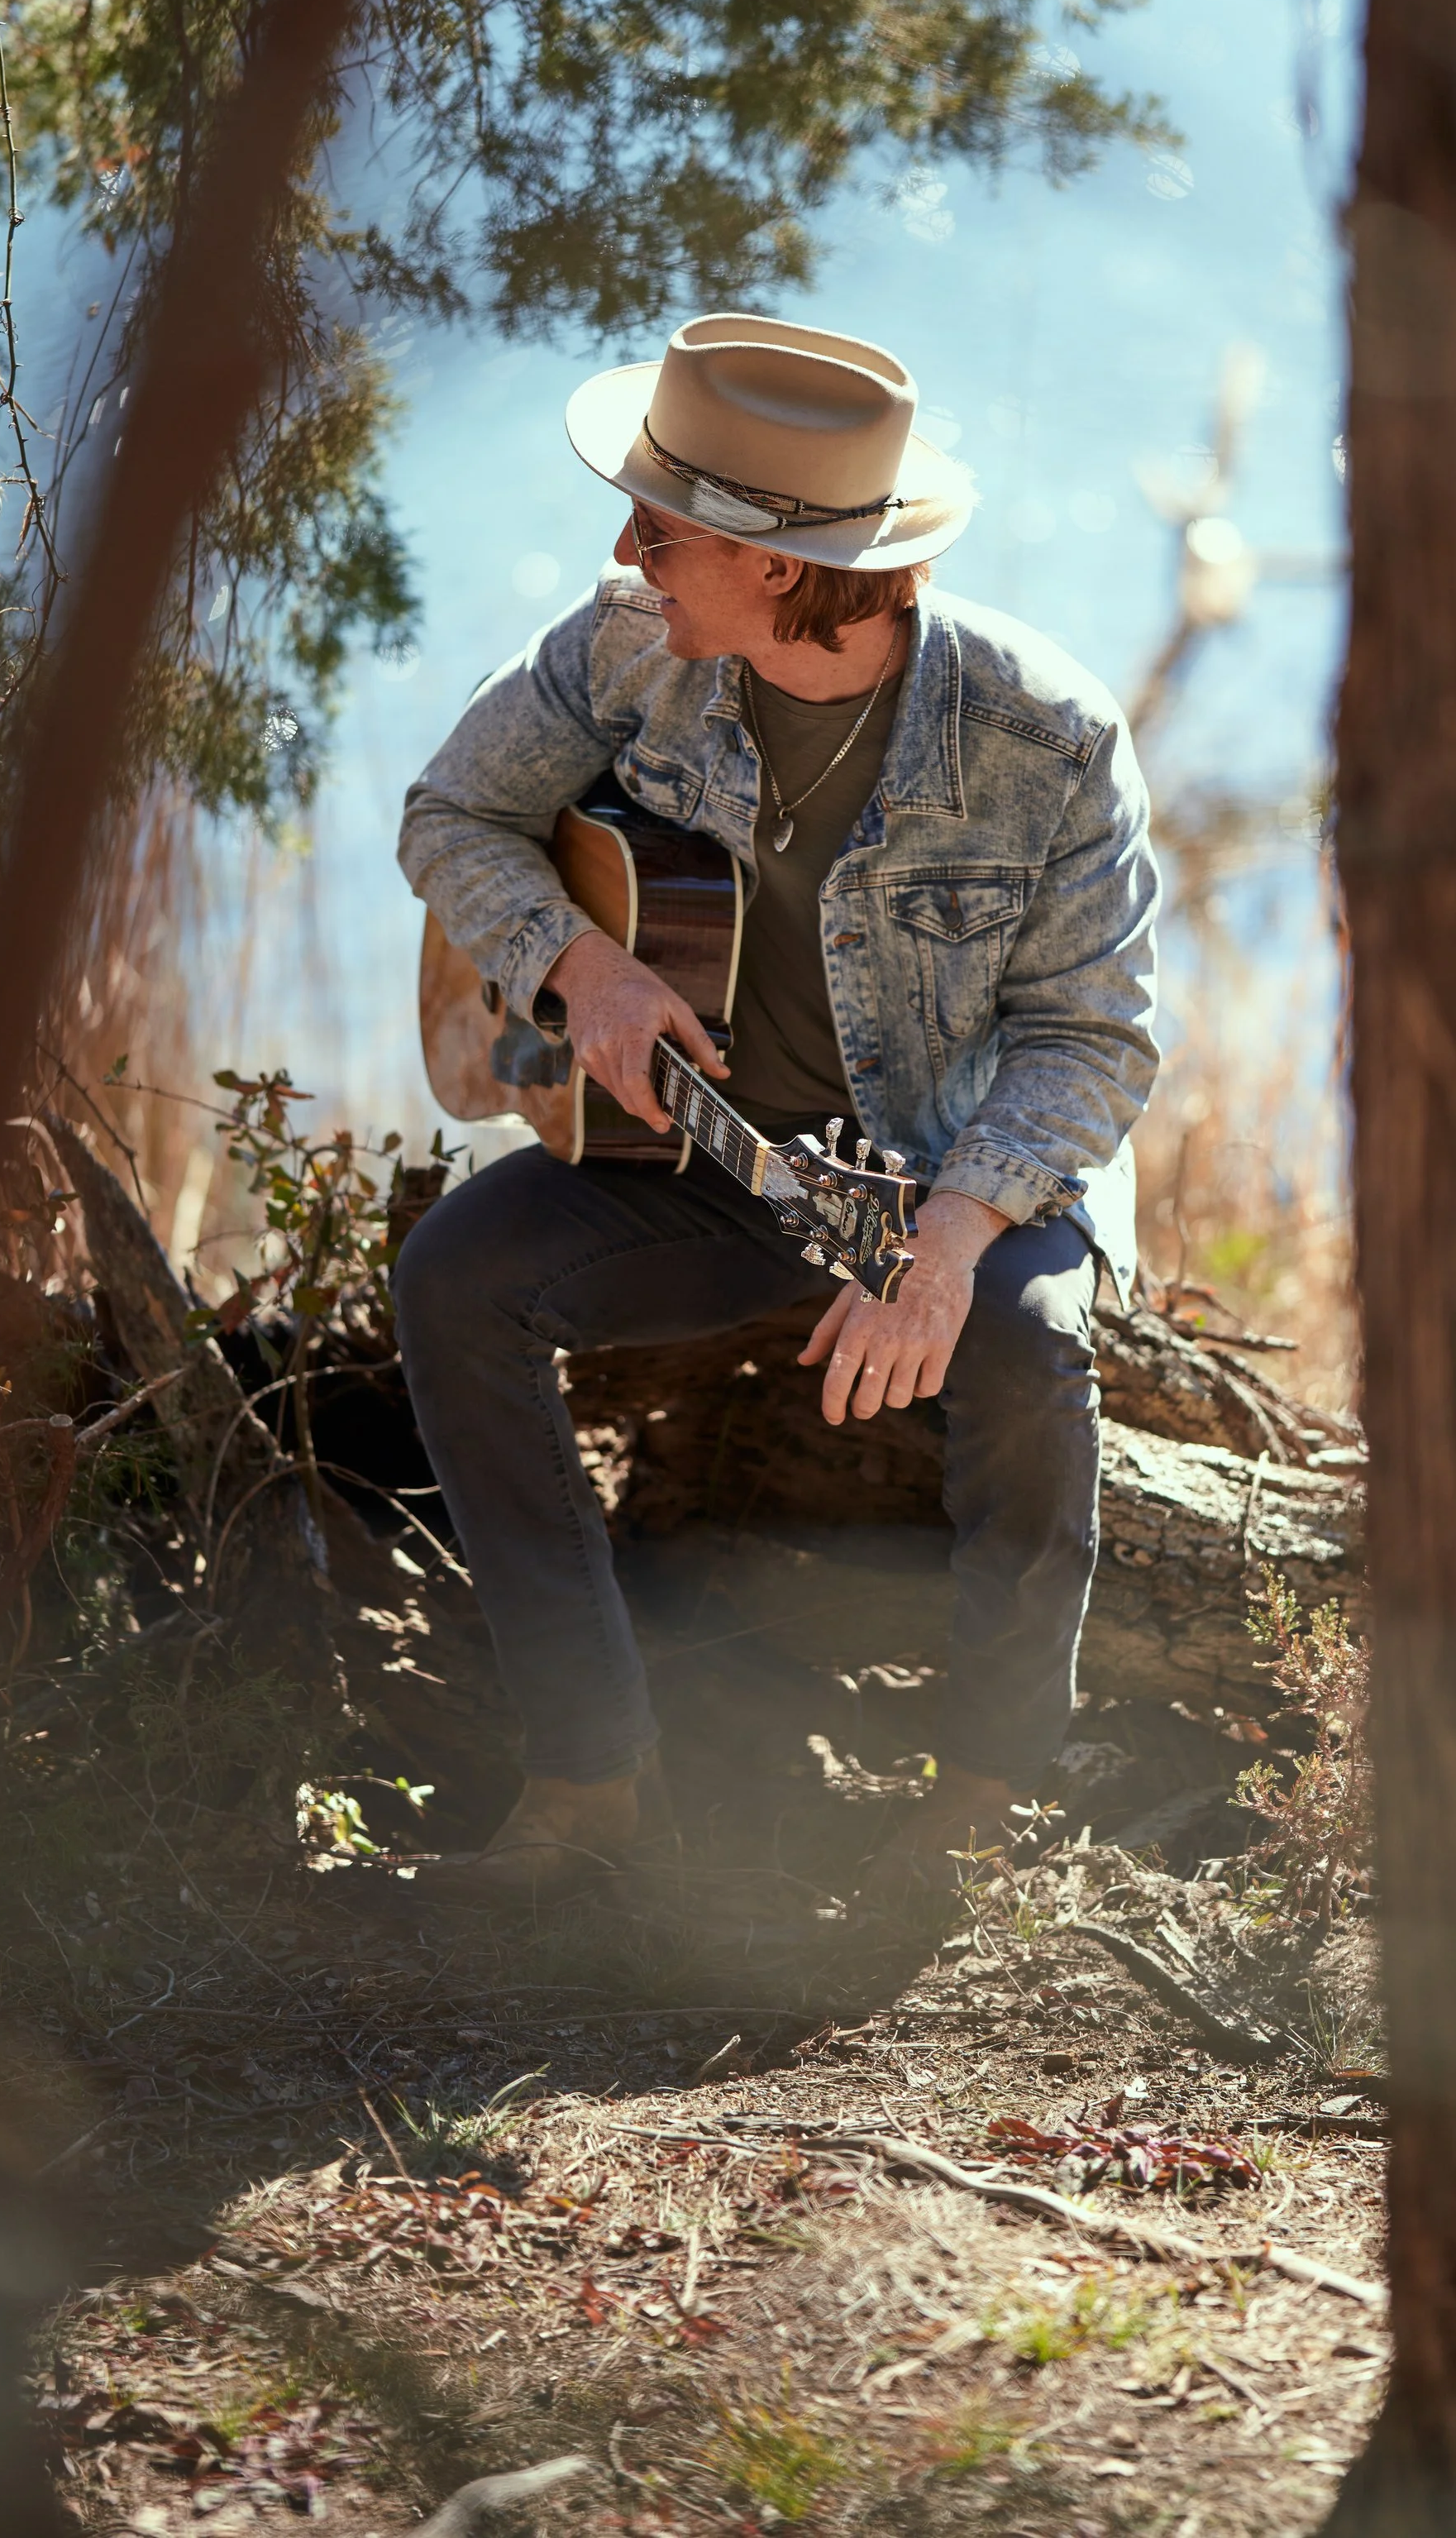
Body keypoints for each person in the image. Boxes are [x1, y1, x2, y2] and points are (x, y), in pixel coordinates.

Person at [394, 311, 1161, 1909]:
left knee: (1028, 1350)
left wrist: (949, 1244)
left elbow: (1093, 1040)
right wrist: (582, 969)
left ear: (780, 568)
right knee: (457, 1279)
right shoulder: (627, 646)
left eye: (663, 528)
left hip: (959, 1173)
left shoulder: (1049, 738)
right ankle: (591, 1782)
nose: (627, 549)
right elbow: (454, 812)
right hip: (705, 1161)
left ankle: (984, 1797)